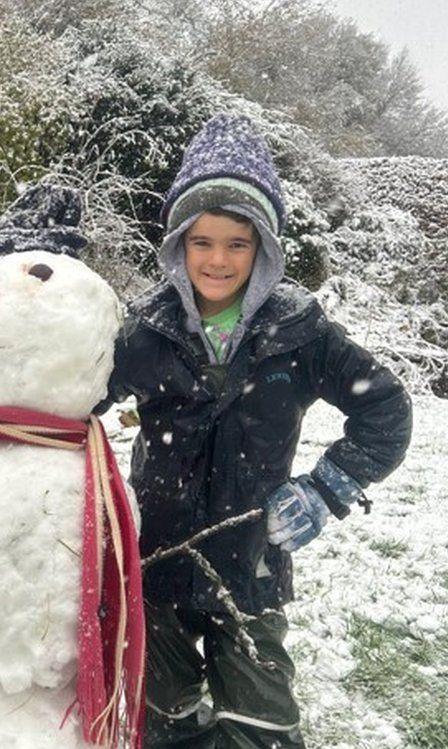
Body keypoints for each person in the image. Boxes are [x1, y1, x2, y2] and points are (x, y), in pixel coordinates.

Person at [96, 113, 412, 748]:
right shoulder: (146, 332)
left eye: (238, 244)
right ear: (177, 243)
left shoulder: (299, 333)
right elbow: (77, 402)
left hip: (252, 568)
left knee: (262, 728)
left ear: (265, 247)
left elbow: (386, 410)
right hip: (157, 561)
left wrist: (327, 488)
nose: (218, 260)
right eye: (202, 241)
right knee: (161, 722)